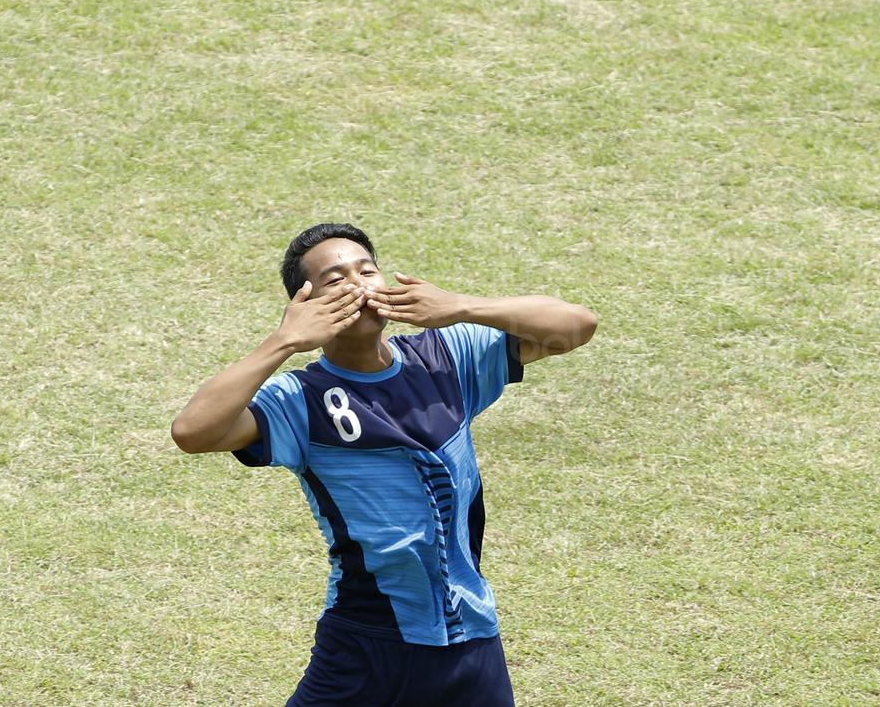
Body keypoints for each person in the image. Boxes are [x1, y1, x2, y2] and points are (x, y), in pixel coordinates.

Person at [170, 223, 597, 706]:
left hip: (471, 637)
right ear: (306, 305)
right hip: (364, 644)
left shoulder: (447, 357)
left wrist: (462, 306)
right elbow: (193, 432)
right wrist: (283, 343)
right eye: (335, 280)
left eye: (367, 270)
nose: (358, 285)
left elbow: (576, 325)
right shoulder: (299, 400)